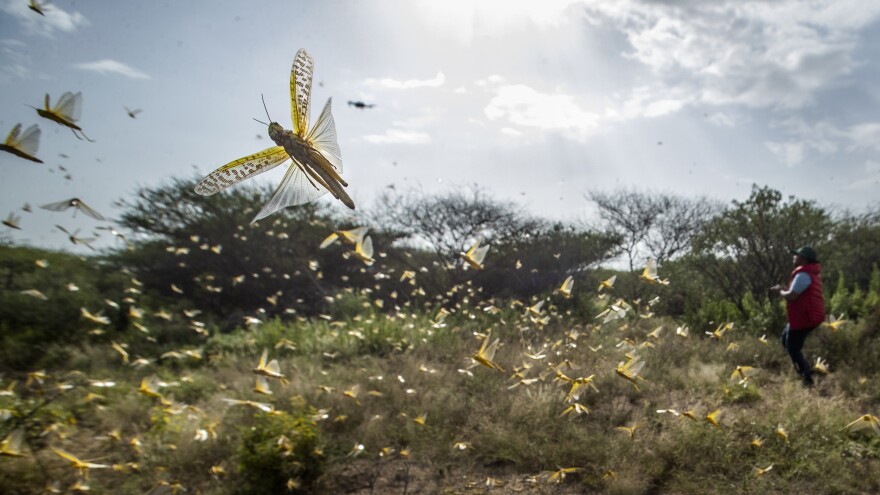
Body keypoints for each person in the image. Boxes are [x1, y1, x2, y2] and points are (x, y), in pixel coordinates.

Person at [771, 246, 825, 387]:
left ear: (804, 259)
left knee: (793, 348)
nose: (794, 257)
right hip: (805, 316)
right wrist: (785, 290)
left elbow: (792, 296)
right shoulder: (809, 273)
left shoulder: (803, 275)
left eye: (797, 255)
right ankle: (807, 369)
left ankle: (807, 379)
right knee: (785, 340)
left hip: (805, 318)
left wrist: (780, 292)